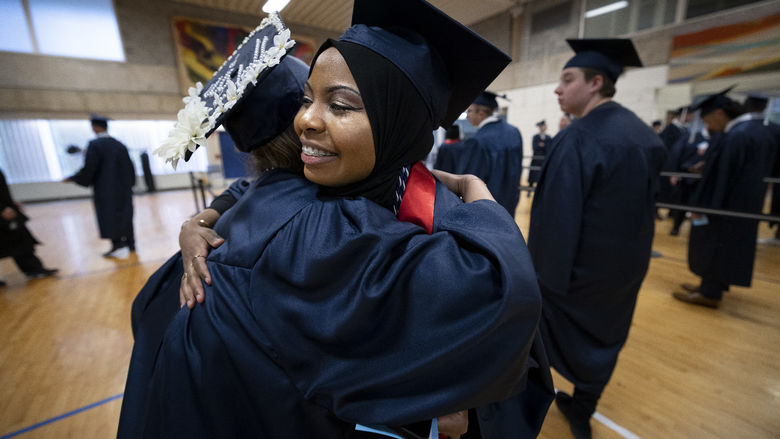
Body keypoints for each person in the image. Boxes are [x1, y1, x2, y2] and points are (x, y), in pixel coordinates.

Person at [122, 4, 550, 438]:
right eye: (306, 99)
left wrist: (202, 216)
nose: (307, 118)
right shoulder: (329, 230)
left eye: (339, 104)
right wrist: (478, 195)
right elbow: (500, 292)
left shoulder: (265, 198)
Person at [527, 38, 666, 439]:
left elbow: (557, 219)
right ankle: (582, 409)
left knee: (537, 340)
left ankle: (522, 410)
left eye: (567, 79)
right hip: (623, 274)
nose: (557, 88)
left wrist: (537, 280)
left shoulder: (577, 138)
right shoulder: (645, 135)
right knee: (607, 339)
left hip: (572, 277)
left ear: (595, 83)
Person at [673, 88, 777, 309]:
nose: (708, 126)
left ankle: (709, 292)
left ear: (719, 113)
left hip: (725, 203)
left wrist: (707, 206)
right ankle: (712, 285)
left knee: (715, 244)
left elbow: (722, 177)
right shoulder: (756, 131)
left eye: (708, 120)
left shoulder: (738, 135)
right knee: (723, 246)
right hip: (744, 201)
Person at [434, 91, 524, 215]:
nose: (467, 116)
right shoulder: (514, 132)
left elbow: (467, 183)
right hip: (509, 206)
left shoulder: (477, 141)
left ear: (481, 113)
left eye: (469, 111)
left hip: (487, 212)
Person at [64, 115, 136, 257]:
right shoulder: (119, 144)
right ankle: (130, 243)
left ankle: (117, 245)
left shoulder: (95, 145)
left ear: (95, 127)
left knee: (109, 215)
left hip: (105, 189)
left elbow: (90, 167)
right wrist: (130, 184)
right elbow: (130, 166)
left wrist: (74, 178)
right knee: (125, 214)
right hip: (123, 187)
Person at [0, 168, 58, 285]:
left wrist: (9, 203)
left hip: (6, 209)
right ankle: (33, 269)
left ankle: (34, 269)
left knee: (21, 240)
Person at [527, 120, 549, 192]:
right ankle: (529, 190)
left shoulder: (548, 137)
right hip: (536, 159)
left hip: (544, 159)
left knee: (542, 176)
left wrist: (542, 145)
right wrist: (543, 146)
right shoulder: (535, 136)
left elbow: (549, 147)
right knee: (533, 176)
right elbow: (534, 147)